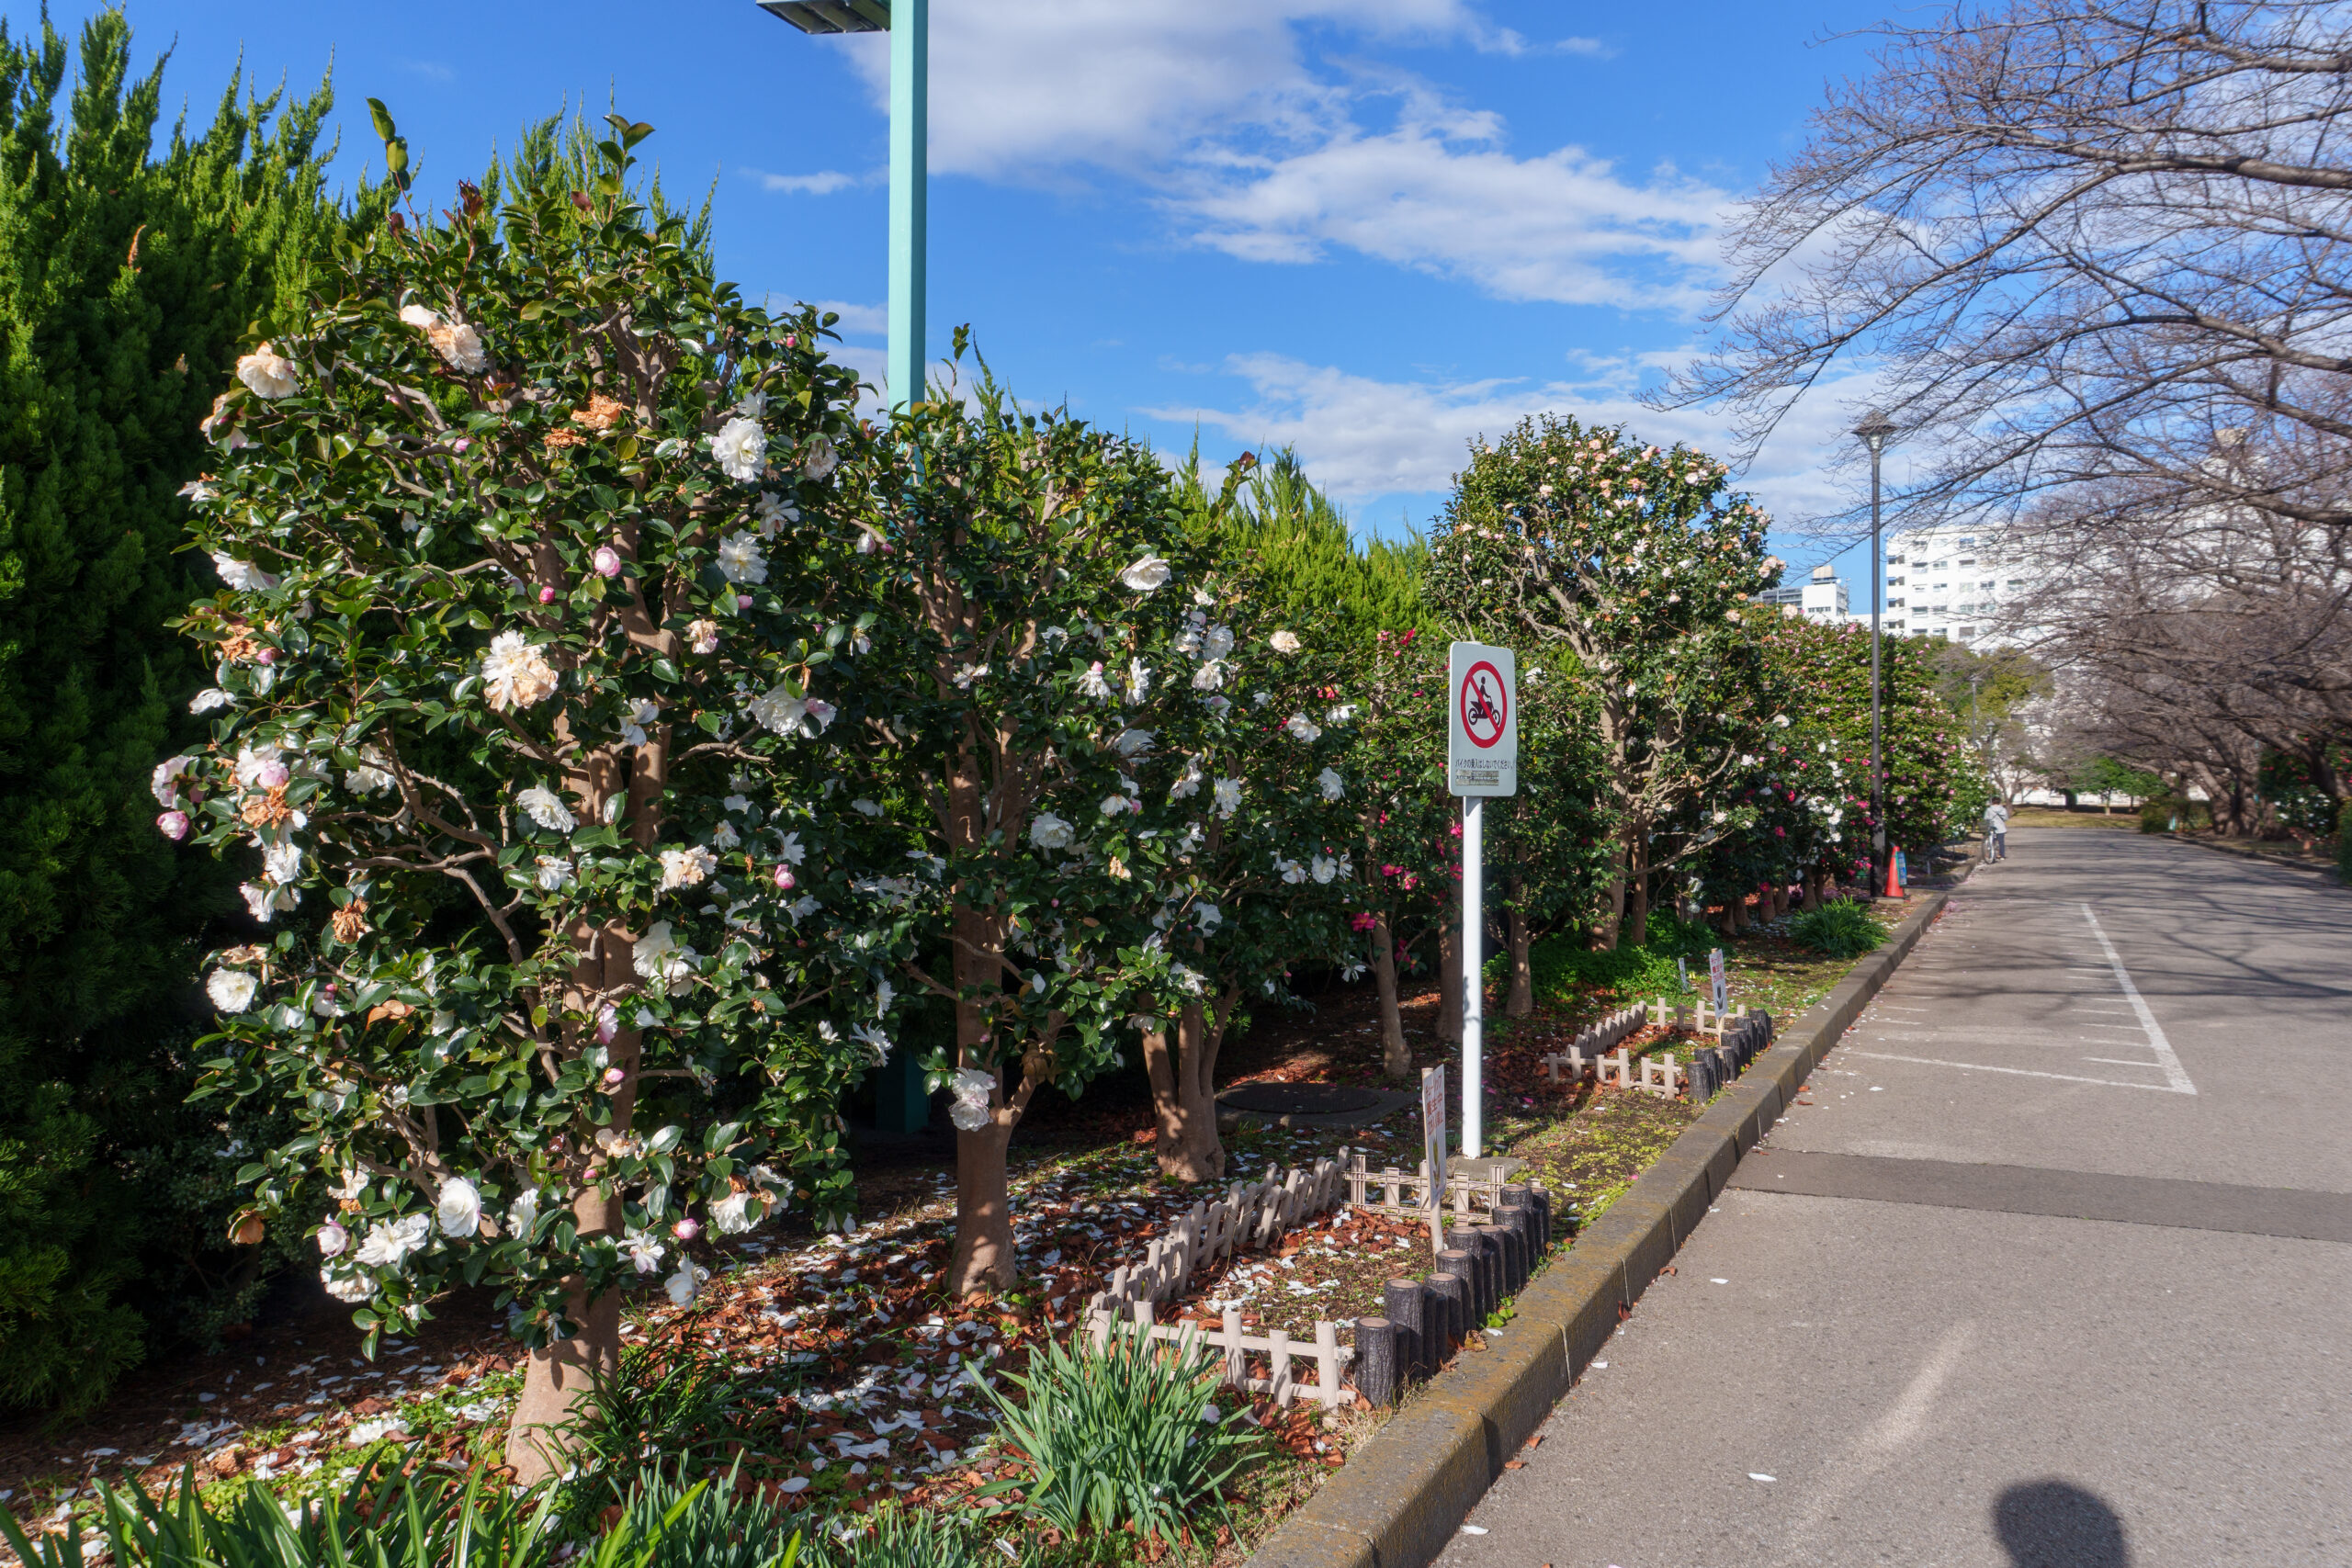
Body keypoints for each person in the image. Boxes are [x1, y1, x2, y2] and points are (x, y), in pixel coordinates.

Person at [1983, 798, 2009, 862]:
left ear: (1992, 802)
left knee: (1992, 841)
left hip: (1992, 826)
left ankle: (1992, 855)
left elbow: (1986, 818)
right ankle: (2002, 855)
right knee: (2001, 842)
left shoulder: (1989, 809)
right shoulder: (2003, 809)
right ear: (1999, 802)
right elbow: (2005, 818)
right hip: (2000, 827)